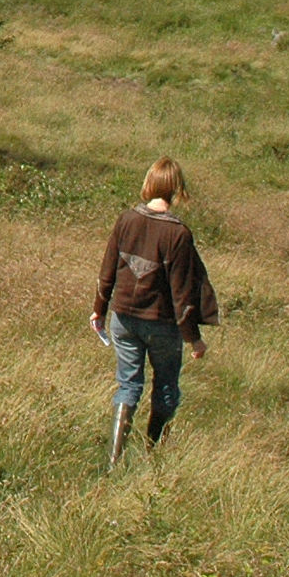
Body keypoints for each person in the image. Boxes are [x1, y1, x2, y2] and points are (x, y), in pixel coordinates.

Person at [90, 155, 219, 466]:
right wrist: (194, 339)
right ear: (177, 190)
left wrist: (99, 310)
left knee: (128, 384)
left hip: (123, 319)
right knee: (165, 386)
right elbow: (182, 295)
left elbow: (108, 269)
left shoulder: (126, 220)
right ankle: (154, 456)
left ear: (150, 184)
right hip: (161, 325)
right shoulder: (179, 233)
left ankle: (113, 461)